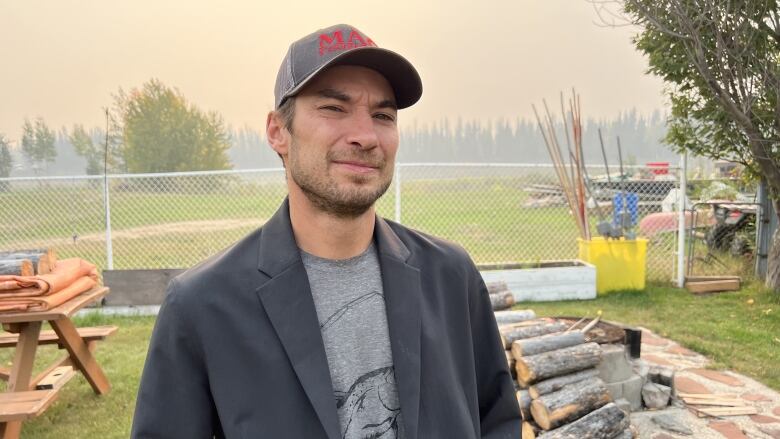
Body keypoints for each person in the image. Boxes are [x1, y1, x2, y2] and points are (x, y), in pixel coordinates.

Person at [131, 24, 520, 439]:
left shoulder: (451, 277)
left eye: (383, 115)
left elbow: (497, 420)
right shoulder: (203, 306)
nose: (365, 136)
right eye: (333, 109)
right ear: (278, 132)